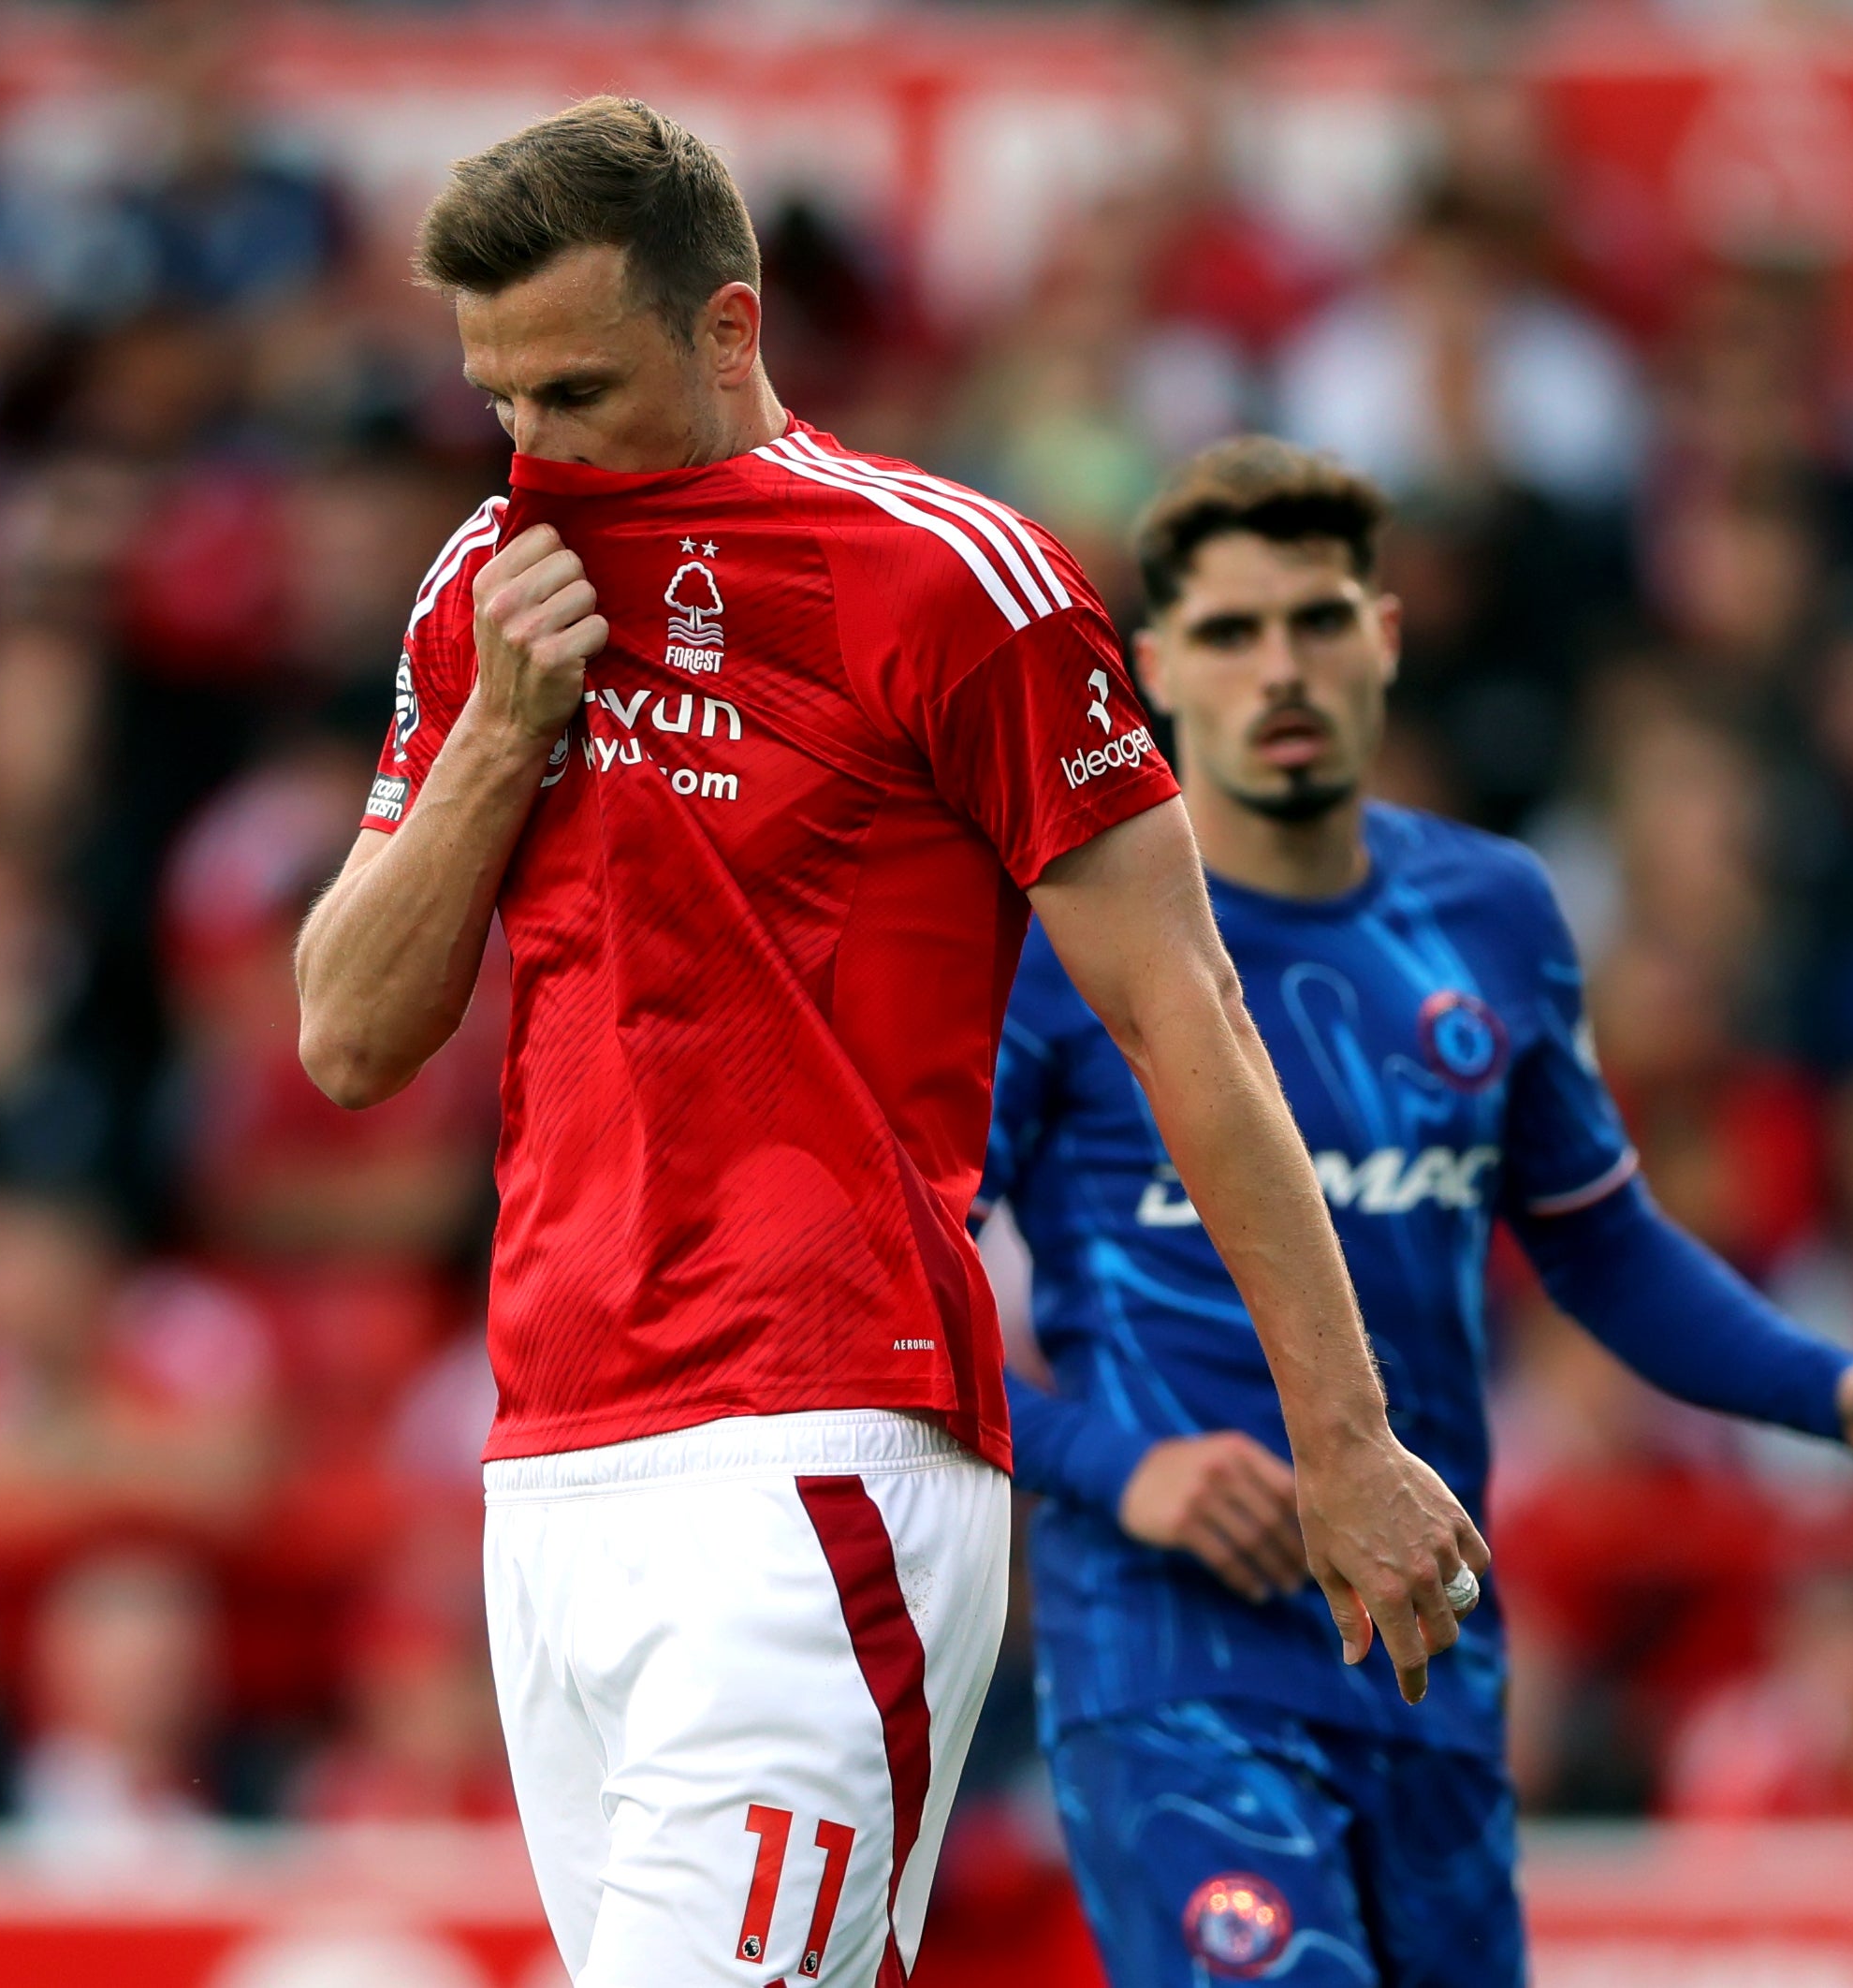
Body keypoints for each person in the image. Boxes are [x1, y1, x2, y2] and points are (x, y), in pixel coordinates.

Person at [291, 101, 1481, 1988]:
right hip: (553, 1469)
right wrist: (502, 735)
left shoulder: (952, 584)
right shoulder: (485, 595)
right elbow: (348, 1036)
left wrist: (1342, 1443)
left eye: (580, 392)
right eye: (499, 401)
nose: (533, 454)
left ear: (732, 329)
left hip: (816, 1450)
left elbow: (1190, 1019)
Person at [986, 437, 1853, 1986]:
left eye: (1318, 620)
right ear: (1153, 668)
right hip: (1166, 1647)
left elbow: (1596, 1241)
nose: (1281, 667)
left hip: (1423, 1648)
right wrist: (1111, 1468)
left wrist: (1827, 1387)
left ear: (1385, 638)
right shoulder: (1059, 945)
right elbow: (883, 1277)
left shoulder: (1490, 911)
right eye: (1231, 630)